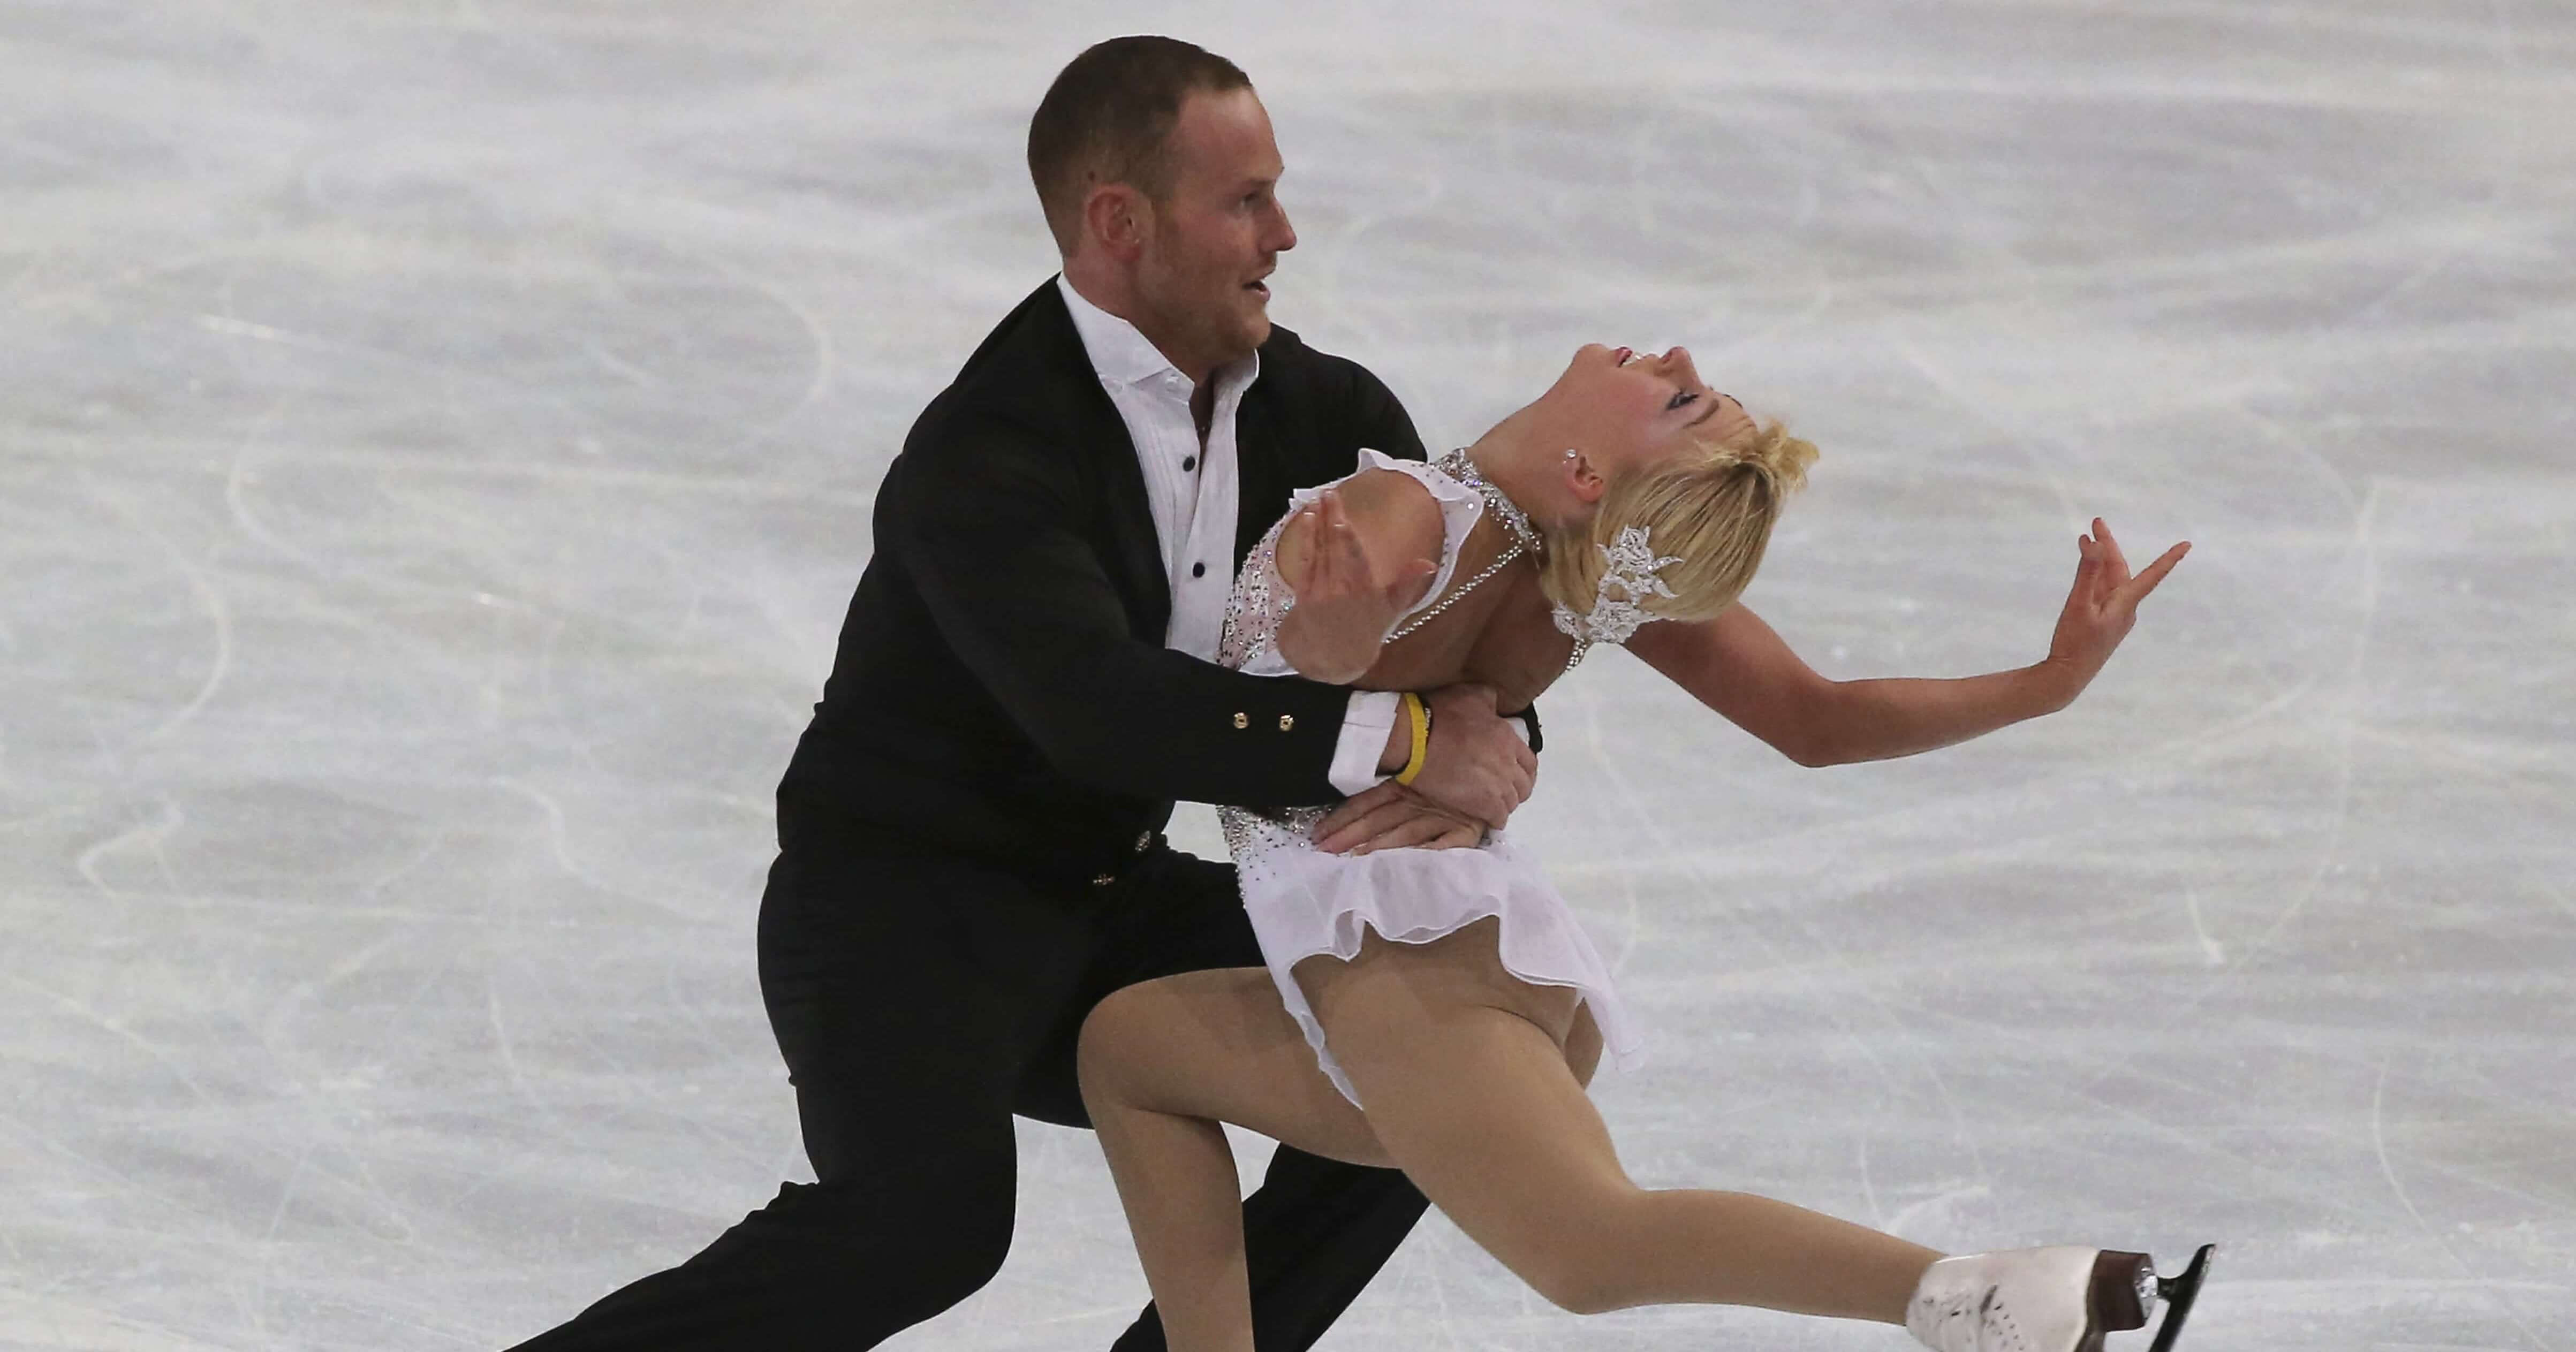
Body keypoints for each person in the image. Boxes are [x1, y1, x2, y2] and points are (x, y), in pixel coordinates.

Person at [505, 36, 1545, 1351]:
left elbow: (1473, 638)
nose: (1285, 232)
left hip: (1102, 895)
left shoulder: (1325, 415)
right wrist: (1401, 740)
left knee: (1430, 1076)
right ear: (1121, 223)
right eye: (1243, 202)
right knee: (924, 1232)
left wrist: (1485, 743)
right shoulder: (987, 450)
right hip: (901, 907)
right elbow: (1101, 714)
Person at [1073, 341, 2213, 1352]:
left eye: (1676, 398)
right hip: (1467, 965)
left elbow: (1324, 661)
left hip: (1402, 964)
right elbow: (1817, 720)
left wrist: (1340, 630)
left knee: (1590, 1252)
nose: (1667, 355)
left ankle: (1986, 1299)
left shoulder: (1407, 514)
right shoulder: (1594, 576)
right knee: (1130, 1050)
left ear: (1586, 473)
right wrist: (2045, 686)